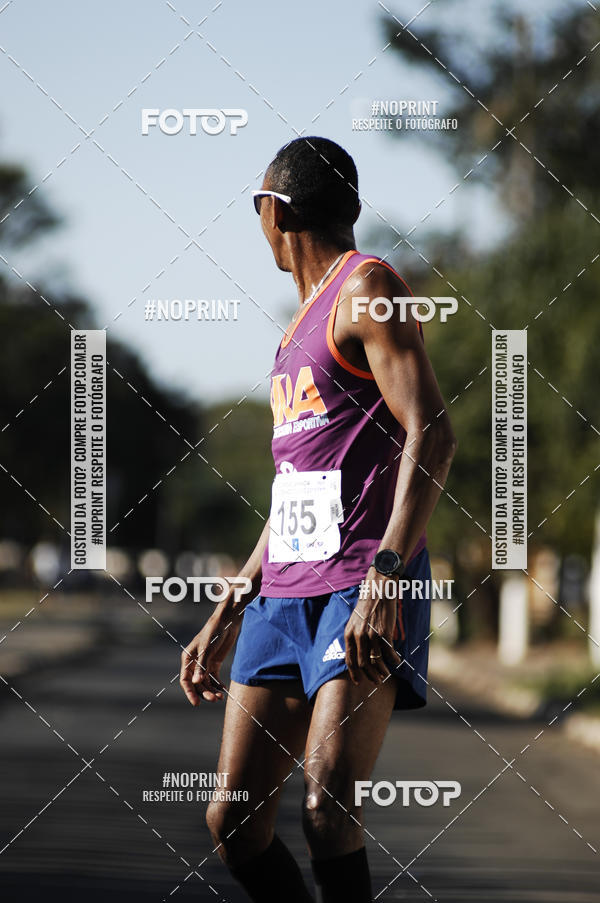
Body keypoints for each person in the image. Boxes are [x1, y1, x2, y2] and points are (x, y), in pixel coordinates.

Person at [180, 136, 456, 902]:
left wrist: (386, 574)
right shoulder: (295, 327)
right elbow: (294, 488)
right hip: (281, 598)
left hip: (359, 584)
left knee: (328, 808)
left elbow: (433, 431)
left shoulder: (367, 288)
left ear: (275, 211)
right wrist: (232, 602)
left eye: (256, 208)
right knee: (234, 822)